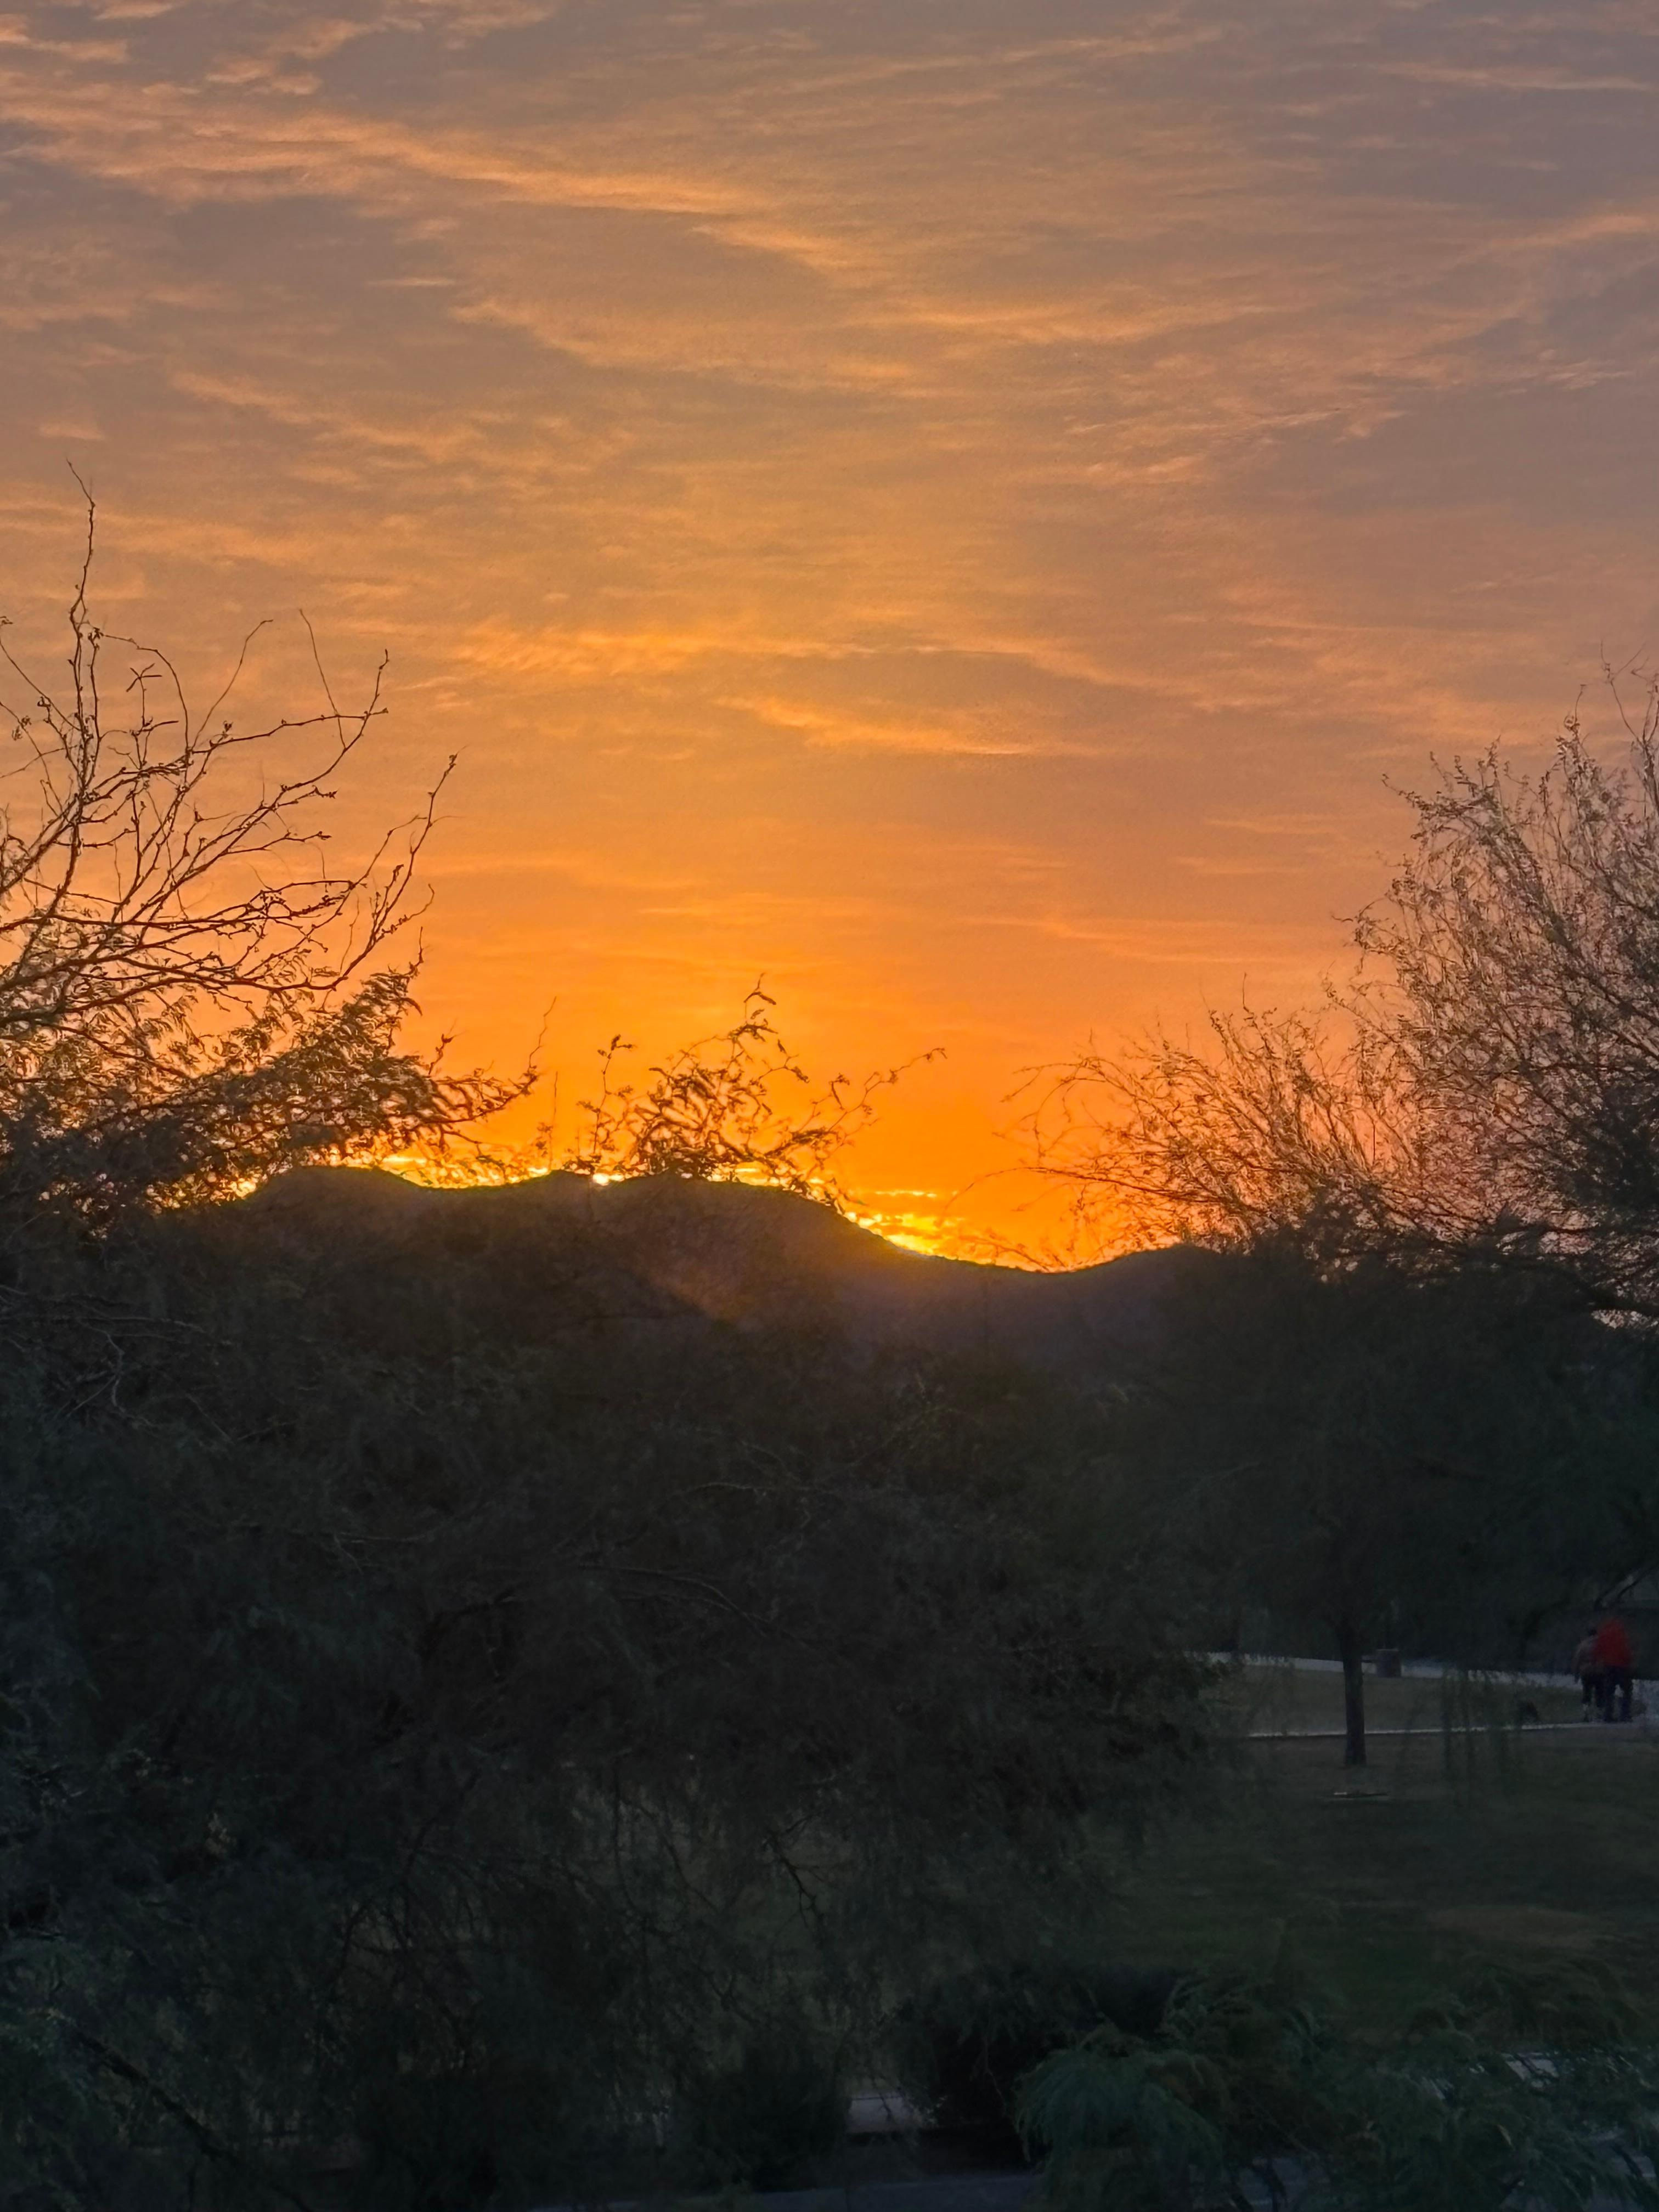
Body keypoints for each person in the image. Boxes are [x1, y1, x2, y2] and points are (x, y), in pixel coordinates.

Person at [1590, 1613, 1635, 1724]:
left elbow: (1598, 1649)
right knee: (1627, 1690)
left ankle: (1608, 1715)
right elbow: (1624, 1649)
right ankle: (1625, 1714)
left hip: (1608, 1666)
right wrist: (1629, 1660)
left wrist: (1597, 1661)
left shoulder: (1603, 1632)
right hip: (1622, 1666)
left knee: (1609, 1691)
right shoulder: (1620, 1632)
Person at [1573, 1626, 1602, 1720]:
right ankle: (1599, 1713)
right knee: (1600, 1693)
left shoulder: (1583, 1645)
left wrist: (1576, 1674)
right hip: (1599, 1671)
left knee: (1587, 1693)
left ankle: (1586, 1714)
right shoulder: (1601, 1644)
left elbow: (1578, 1659)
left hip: (1586, 1671)